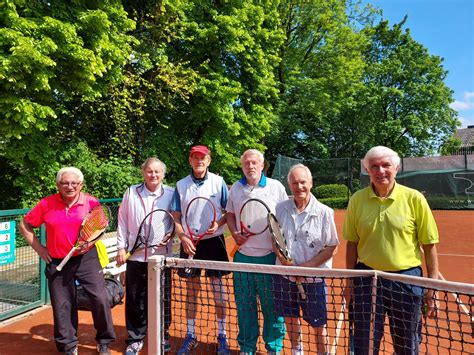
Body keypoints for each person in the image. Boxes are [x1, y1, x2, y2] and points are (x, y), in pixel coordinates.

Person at [343, 146, 440, 354]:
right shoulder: (357, 200)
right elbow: (351, 243)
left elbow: (429, 245)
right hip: (367, 279)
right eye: (374, 166)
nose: (380, 171)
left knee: (407, 345)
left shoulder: (414, 199)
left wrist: (431, 288)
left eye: (386, 165)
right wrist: (349, 282)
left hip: (407, 280)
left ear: (396, 168)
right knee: (365, 344)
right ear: (367, 170)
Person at [19, 167, 115, 355]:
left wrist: (88, 243)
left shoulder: (91, 201)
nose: (69, 186)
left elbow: (100, 228)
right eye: (64, 183)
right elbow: (25, 224)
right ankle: (68, 346)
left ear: (80, 184)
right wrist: (40, 249)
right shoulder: (47, 203)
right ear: (58, 184)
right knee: (62, 305)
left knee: (100, 298)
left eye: (74, 183)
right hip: (57, 260)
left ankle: (104, 340)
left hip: (86, 258)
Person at [272, 164, 339, 355]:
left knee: (318, 324)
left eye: (303, 182)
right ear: (290, 186)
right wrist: (285, 262)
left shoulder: (325, 212)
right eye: (294, 183)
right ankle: (296, 352)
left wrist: (305, 268)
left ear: (311, 183)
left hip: (313, 280)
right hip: (285, 277)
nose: (299, 186)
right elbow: (275, 240)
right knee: (291, 319)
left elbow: (332, 247)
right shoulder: (281, 207)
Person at [226, 149, 287, 355]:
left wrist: (279, 239)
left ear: (262, 165)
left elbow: (284, 216)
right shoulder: (235, 188)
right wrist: (234, 233)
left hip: (270, 258)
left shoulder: (276, 187)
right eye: (246, 163)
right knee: (245, 307)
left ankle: (273, 348)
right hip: (242, 258)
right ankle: (247, 348)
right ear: (242, 166)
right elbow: (231, 214)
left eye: (254, 163)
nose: (250, 166)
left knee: (273, 308)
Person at [171, 145, 231, 355]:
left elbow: (228, 211)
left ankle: (222, 335)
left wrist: (220, 223)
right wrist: (183, 236)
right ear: (190, 160)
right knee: (191, 292)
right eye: (195, 157)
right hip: (191, 244)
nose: (199, 161)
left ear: (208, 160)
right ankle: (191, 335)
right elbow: (176, 217)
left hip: (214, 242)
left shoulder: (219, 182)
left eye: (202, 157)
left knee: (219, 293)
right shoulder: (180, 185)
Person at [116, 157, 175, 354]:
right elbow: (122, 220)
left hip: (161, 258)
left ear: (163, 174)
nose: (153, 175)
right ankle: (135, 338)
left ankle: (162, 335)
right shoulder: (131, 192)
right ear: (143, 172)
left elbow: (175, 221)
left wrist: (171, 234)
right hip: (135, 257)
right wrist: (120, 247)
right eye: (150, 171)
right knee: (135, 299)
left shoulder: (172, 193)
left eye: (157, 171)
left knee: (163, 299)